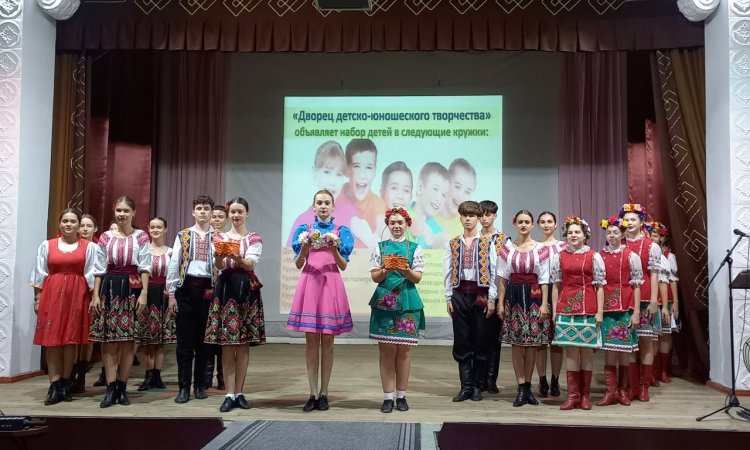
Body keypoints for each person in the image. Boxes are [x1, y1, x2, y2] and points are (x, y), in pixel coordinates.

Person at [288, 189, 354, 412]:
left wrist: (334, 250)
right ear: (313, 206)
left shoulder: (341, 232)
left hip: (330, 284)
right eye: (319, 203)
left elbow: (343, 265)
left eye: (327, 203)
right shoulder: (304, 231)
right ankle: (312, 393)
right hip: (310, 283)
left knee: (327, 341)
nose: (323, 206)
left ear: (333, 207)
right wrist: (304, 249)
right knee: (310, 341)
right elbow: (299, 264)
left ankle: (324, 392)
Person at [29, 209, 98, 405]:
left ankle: (66, 383)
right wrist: (38, 298)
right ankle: (54, 384)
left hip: (78, 295)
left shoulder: (89, 247)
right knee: (52, 342)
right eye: (65, 221)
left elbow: (92, 274)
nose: (69, 224)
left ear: (78, 225)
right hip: (52, 295)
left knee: (70, 341)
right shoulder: (47, 245)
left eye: (73, 221)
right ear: (59, 224)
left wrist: (93, 299)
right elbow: (39, 273)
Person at [89, 196, 151, 408]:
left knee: (128, 341)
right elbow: (99, 268)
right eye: (119, 210)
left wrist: (144, 293)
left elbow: (145, 266)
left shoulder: (141, 237)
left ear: (134, 213)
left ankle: (123, 387)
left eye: (126, 210)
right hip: (109, 287)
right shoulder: (105, 237)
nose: (122, 214)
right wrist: (95, 295)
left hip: (132, 287)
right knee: (109, 341)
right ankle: (111, 387)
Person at [207, 197, 266, 413]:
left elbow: (249, 264)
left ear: (247, 213)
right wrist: (220, 256)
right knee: (226, 344)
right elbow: (218, 265)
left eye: (240, 211)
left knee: (242, 344)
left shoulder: (254, 238)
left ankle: (239, 393)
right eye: (233, 212)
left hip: (245, 287)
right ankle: (229, 394)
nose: (236, 215)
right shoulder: (219, 237)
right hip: (225, 287)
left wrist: (238, 258)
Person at [369, 206, 425, 413]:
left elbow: (417, 278)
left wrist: (405, 269)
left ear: (407, 224)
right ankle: (387, 397)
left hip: (408, 300)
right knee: (386, 351)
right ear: (387, 225)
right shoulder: (380, 247)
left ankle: (401, 396)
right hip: (385, 300)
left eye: (400, 222)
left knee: (404, 351)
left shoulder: (414, 248)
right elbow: (375, 277)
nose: (396, 226)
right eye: (392, 223)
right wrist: (386, 269)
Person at [550, 216, 605, 411]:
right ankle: (572, 396)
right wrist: (555, 311)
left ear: (585, 235)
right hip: (565, 308)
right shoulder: (559, 256)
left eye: (577, 232)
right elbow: (556, 285)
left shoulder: (593, 256)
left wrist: (600, 312)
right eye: (570, 232)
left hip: (588, 308)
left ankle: (585, 396)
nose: (573, 235)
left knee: (587, 353)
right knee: (571, 353)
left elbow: (599, 286)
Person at [444, 201, 497, 403]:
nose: (468, 219)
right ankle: (465, 386)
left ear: (478, 218)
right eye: (464, 215)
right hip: (459, 294)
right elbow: (447, 270)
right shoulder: (453, 243)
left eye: (471, 215)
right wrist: (448, 296)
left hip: (480, 295)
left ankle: (477, 386)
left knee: (481, 340)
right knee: (462, 340)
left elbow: (494, 271)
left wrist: (491, 298)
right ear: (460, 218)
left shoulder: (487, 242)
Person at [497, 210, 550, 407]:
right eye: (520, 222)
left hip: (534, 296)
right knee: (517, 345)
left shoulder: (541, 250)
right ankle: (520, 387)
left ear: (532, 225)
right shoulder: (506, 249)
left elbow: (544, 278)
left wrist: (544, 304)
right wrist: (500, 302)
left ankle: (528, 387)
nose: (524, 225)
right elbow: (502, 278)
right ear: (515, 224)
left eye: (527, 222)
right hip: (514, 297)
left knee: (532, 344)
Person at [166, 194, 216, 404]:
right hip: (186, 291)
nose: (203, 211)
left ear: (211, 212)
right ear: (193, 212)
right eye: (199, 208)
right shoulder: (183, 235)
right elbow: (174, 264)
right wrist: (171, 294)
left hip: (209, 292)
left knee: (204, 342)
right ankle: (184, 387)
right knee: (185, 342)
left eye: (206, 208)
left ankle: (200, 386)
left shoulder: (219, 236)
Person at [619, 203, 664, 402]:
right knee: (629, 343)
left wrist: (654, 300)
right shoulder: (619, 243)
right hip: (624, 298)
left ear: (641, 222)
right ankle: (632, 386)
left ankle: (644, 387)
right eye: (626, 220)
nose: (629, 223)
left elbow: (654, 274)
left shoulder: (651, 246)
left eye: (633, 219)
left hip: (645, 297)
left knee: (646, 343)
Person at [597, 216, 642, 407]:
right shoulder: (599, 256)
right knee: (609, 351)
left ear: (622, 234)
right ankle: (610, 392)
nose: (612, 235)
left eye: (616, 232)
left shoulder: (631, 256)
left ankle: (623, 391)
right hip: (607, 307)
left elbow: (637, 285)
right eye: (609, 232)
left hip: (625, 307)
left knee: (624, 351)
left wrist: (636, 312)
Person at [285, 141, 358, 247]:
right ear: (314, 172)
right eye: (327, 172)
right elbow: (291, 255)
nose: (333, 181)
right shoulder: (302, 221)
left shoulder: (351, 214)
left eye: (339, 174)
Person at [136, 217, 174, 392]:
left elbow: (174, 276)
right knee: (147, 339)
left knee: (161, 339)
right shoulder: (143, 251)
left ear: (165, 229)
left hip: (164, 295)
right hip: (147, 294)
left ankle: (157, 375)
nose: (155, 230)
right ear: (148, 229)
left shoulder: (171, 252)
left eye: (159, 227)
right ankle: (148, 375)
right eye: (152, 227)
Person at [478, 200, 508, 394]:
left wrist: (498, 298)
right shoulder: (474, 238)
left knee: (494, 340)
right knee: (478, 338)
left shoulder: (504, 240)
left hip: (497, 294)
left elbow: (503, 271)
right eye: (481, 215)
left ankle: (491, 379)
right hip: (477, 294)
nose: (484, 218)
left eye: (488, 214)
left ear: (495, 215)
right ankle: (479, 379)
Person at [534, 211, 565, 398]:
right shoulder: (534, 246)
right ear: (538, 225)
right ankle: (542, 379)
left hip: (559, 293)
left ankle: (555, 379)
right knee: (540, 341)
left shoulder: (563, 246)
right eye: (543, 222)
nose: (546, 225)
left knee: (556, 341)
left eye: (550, 221)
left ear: (555, 225)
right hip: (537, 294)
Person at [70, 213, 99, 394]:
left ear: (95, 229)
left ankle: (81, 376)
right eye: (82, 225)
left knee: (88, 336)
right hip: (74, 292)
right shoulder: (71, 246)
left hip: (91, 293)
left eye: (89, 225)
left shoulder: (96, 248)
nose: (85, 229)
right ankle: (70, 374)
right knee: (73, 334)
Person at [648, 221, 679, 384]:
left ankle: (663, 371)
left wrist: (675, 302)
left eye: (655, 235)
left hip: (665, 298)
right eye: (649, 235)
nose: (652, 238)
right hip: (651, 298)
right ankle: (651, 372)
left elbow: (672, 280)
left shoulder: (668, 256)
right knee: (653, 336)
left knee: (665, 334)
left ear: (661, 238)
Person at [205, 205, 228, 391]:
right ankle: (206, 376)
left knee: (223, 333)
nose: (217, 219)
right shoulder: (205, 239)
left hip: (224, 290)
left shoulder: (229, 238)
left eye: (221, 216)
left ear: (226, 219)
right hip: (206, 290)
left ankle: (222, 377)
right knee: (207, 334)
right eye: (214, 216)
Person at [436, 158, 478, 240]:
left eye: (467, 191)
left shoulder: (466, 226)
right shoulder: (428, 216)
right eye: (457, 187)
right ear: (446, 183)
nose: (461, 196)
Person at [411, 162, 450, 249]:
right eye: (435, 189)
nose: (439, 199)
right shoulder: (400, 215)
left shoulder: (438, 234)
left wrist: (434, 243)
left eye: (444, 195)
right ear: (420, 187)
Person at [373, 161, 414, 242]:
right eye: (394, 188)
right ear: (382, 192)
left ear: (411, 197)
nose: (400, 196)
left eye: (406, 190)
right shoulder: (376, 224)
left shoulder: (415, 228)